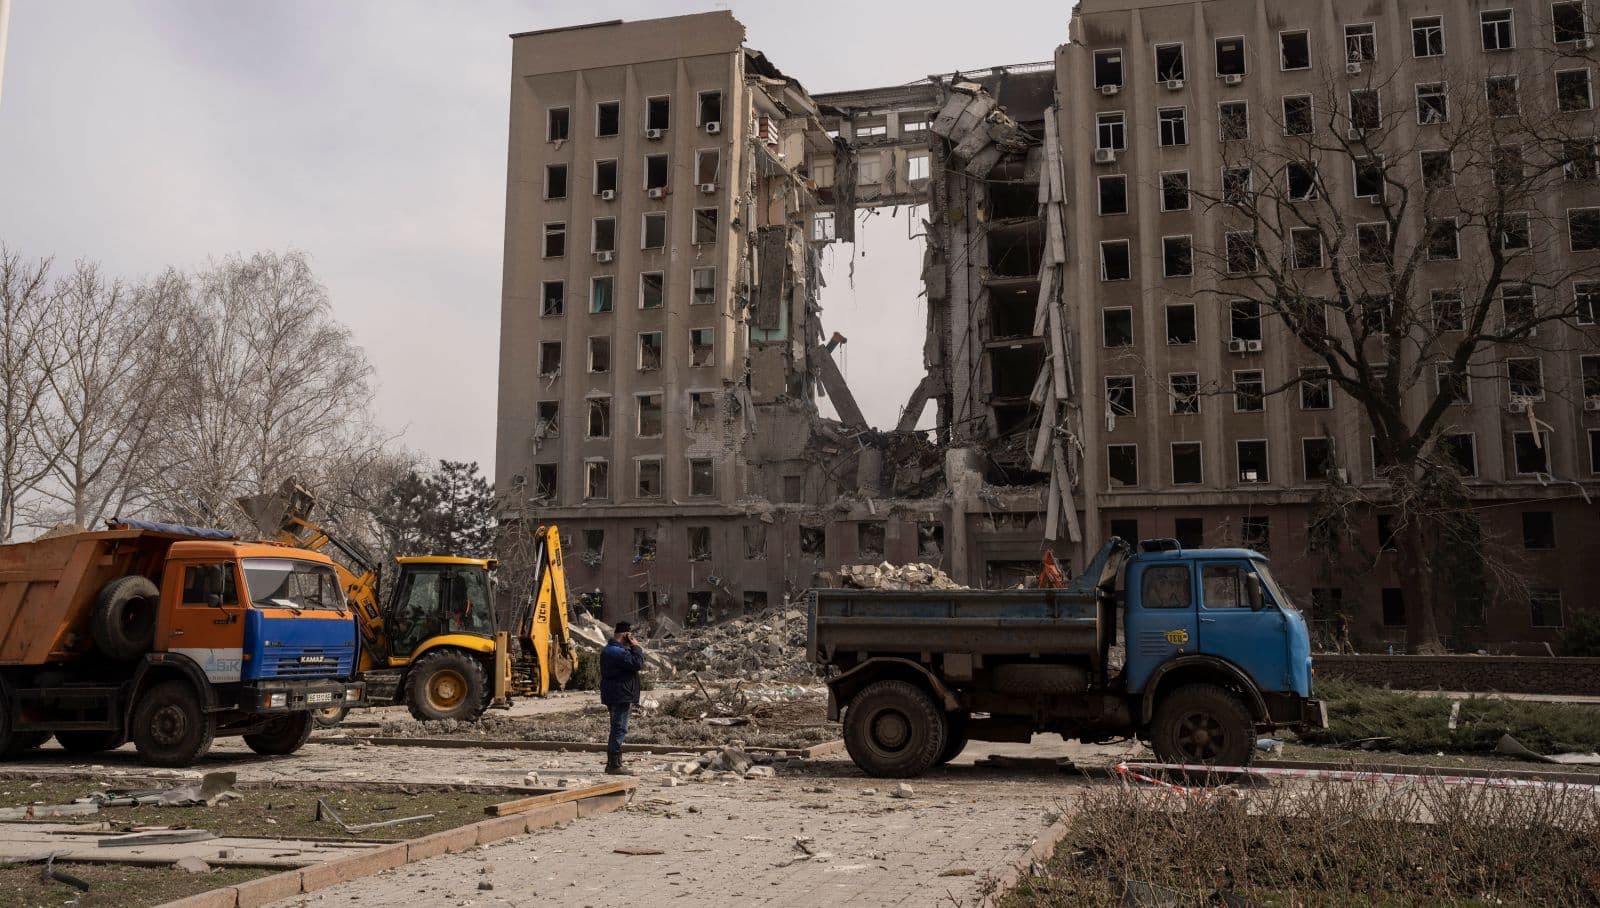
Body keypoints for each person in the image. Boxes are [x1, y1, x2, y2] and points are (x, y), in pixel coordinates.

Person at [599, 621, 645, 775]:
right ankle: (614, 765)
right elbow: (637, 663)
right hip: (620, 695)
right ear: (626, 634)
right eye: (629, 635)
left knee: (617, 728)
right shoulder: (616, 652)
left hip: (616, 693)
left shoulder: (612, 650)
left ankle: (613, 763)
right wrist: (635, 646)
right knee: (619, 728)